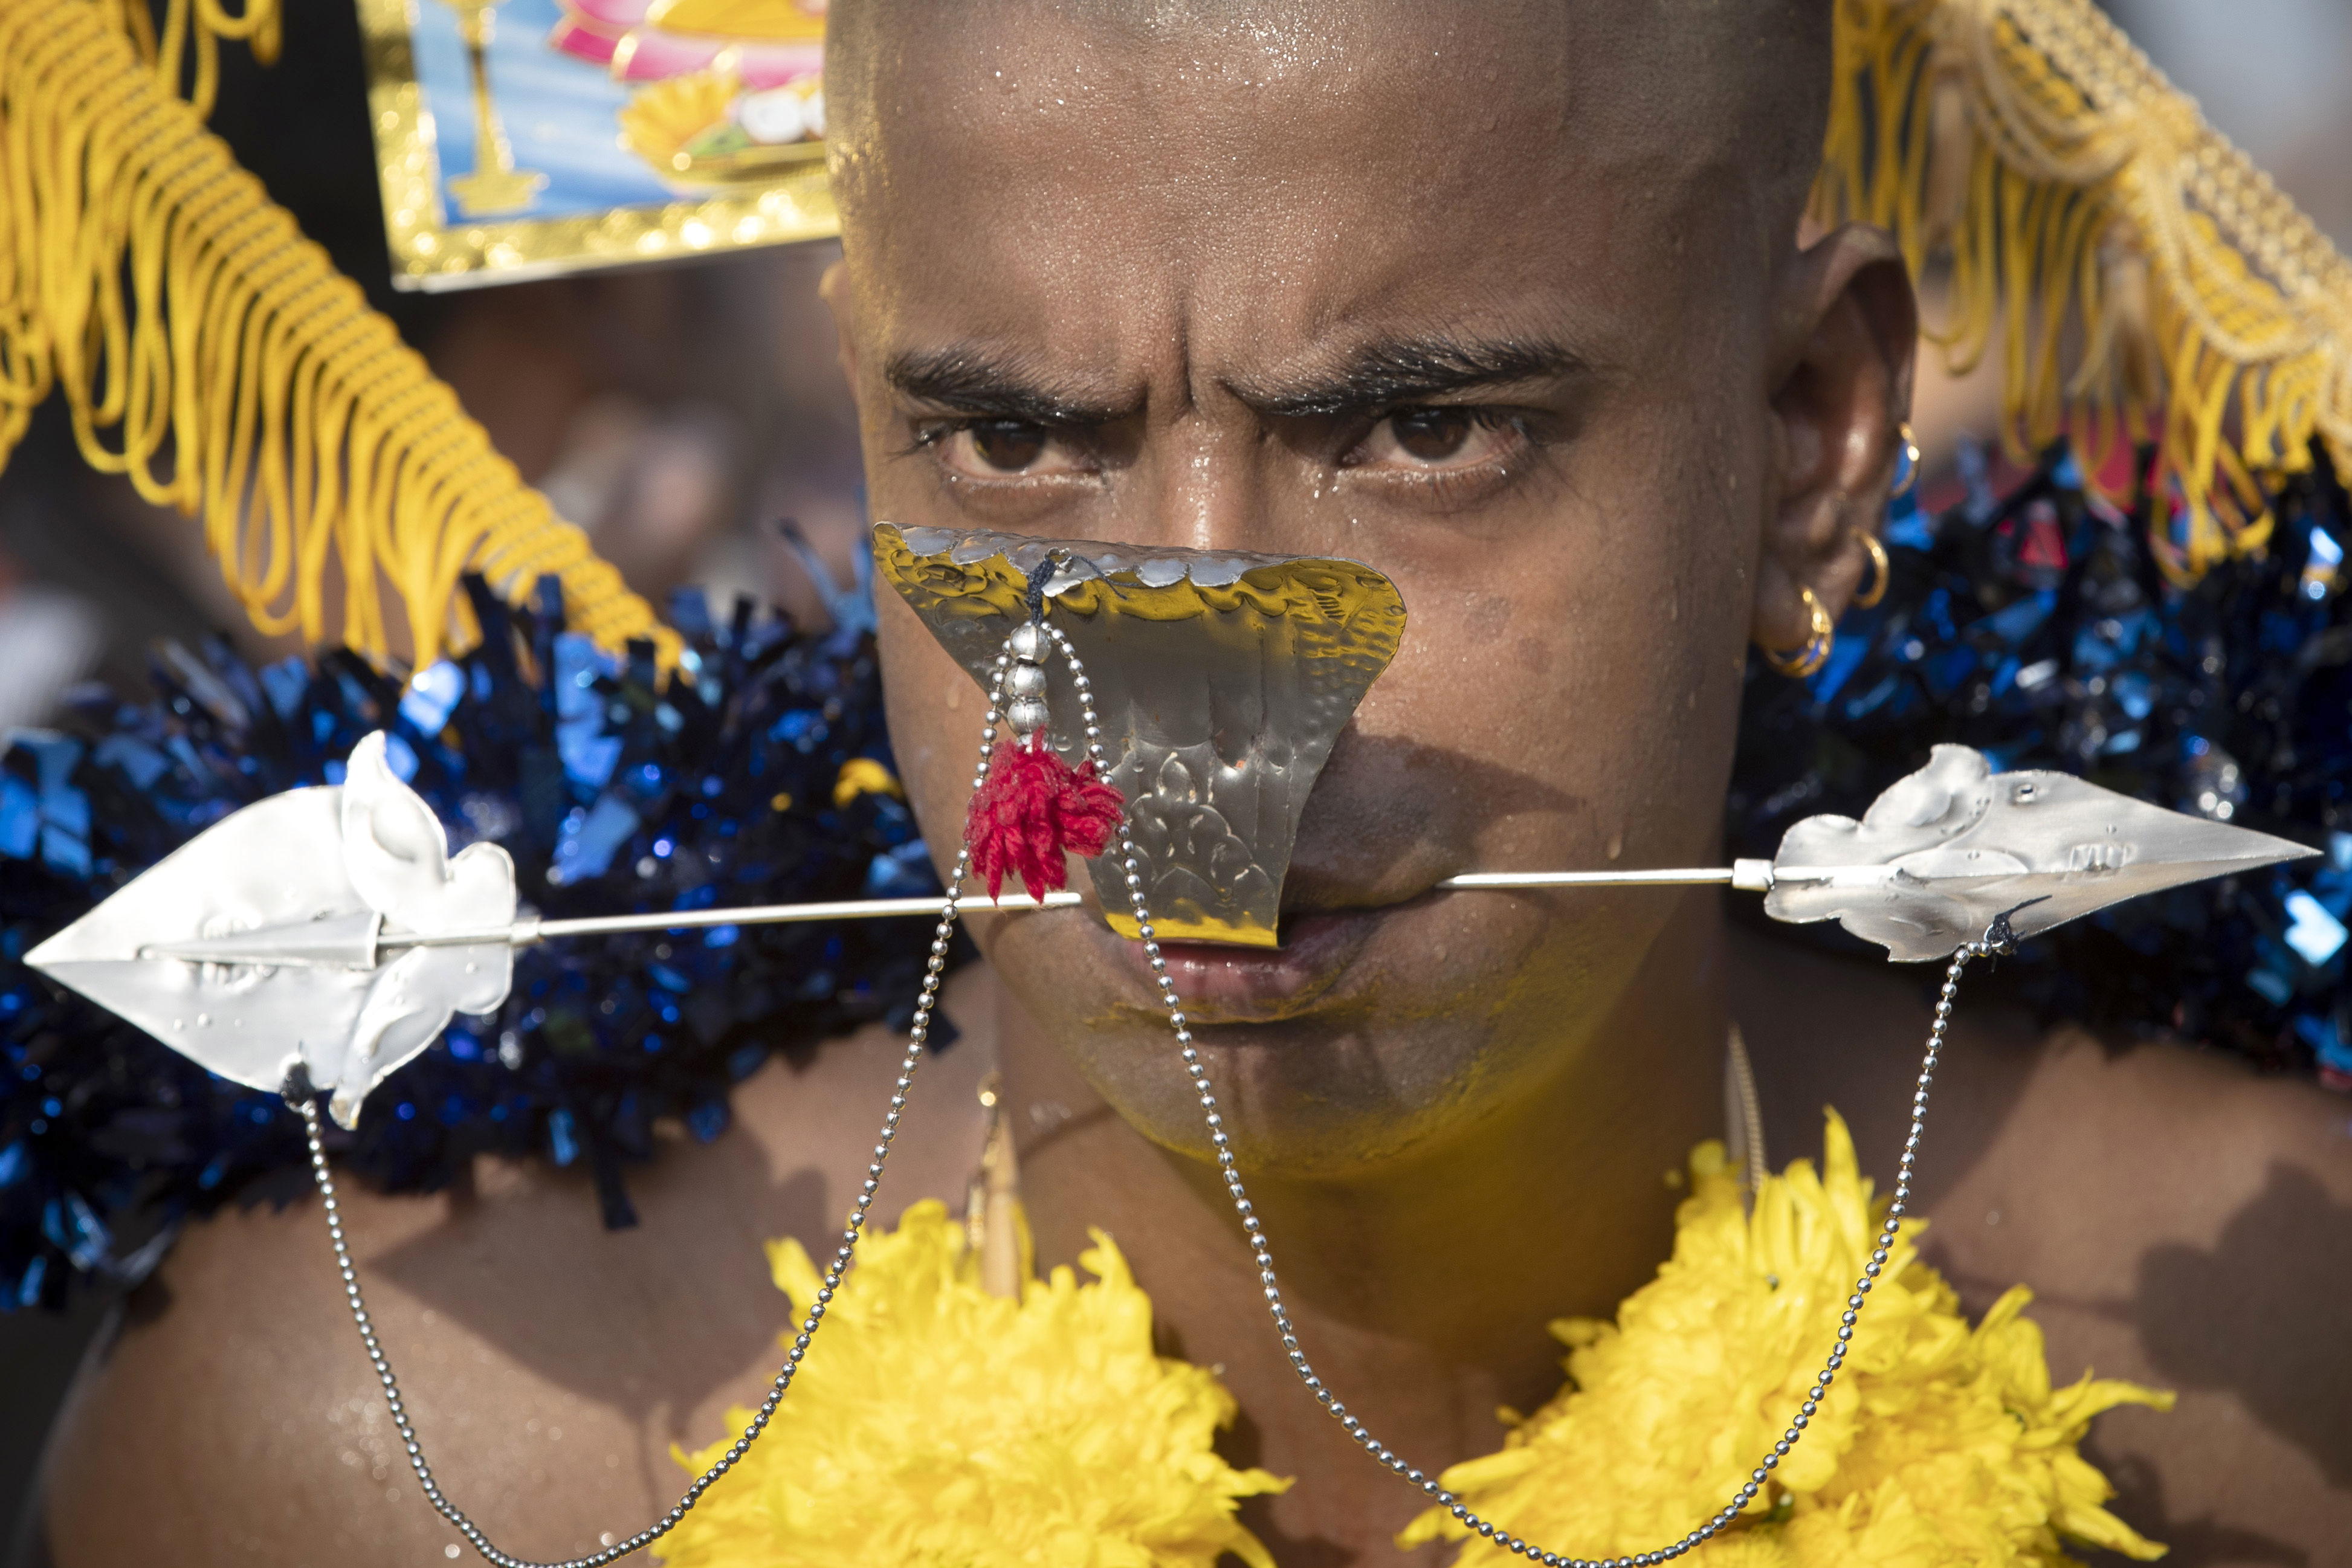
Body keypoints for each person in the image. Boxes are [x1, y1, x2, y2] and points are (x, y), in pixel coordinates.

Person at [41, 2, 2352, 1564]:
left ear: (1801, 444)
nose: (1178, 731)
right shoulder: (397, 1445)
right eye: (1019, 441)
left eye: (1421, 434)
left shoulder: (2259, 1361)